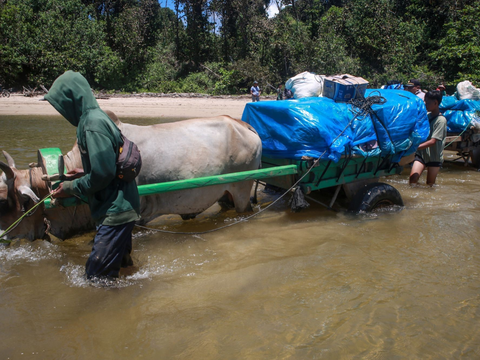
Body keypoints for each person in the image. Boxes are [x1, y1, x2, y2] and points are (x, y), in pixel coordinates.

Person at [45, 70, 140, 281]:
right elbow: (107, 164)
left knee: (96, 279)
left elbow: (103, 174)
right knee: (123, 271)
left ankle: (112, 312)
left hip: (114, 212)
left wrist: (69, 188)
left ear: (72, 100)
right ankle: (132, 308)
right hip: (120, 206)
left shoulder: (92, 124)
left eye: (60, 104)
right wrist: (84, 171)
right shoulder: (97, 118)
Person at [409, 90, 447, 186]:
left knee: (430, 184)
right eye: (425, 102)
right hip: (421, 154)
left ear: (436, 103)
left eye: (428, 103)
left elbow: (433, 141)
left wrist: (415, 147)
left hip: (434, 156)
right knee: (413, 179)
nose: (425, 105)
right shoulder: (426, 117)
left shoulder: (441, 120)